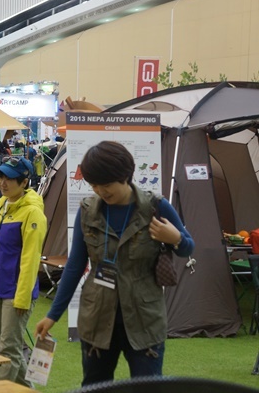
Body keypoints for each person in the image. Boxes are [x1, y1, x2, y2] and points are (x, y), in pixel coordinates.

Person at [35, 141, 195, 386]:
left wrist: (174, 238)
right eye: (94, 185)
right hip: (97, 317)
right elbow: (75, 266)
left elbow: (188, 248)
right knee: (95, 385)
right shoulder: (88, 211)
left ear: (125, 176)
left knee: (148, 387)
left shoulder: (156, 206)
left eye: (106, 184)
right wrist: (53, 315)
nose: (100, 191)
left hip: (145, 320)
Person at [0, 156, 46, 387]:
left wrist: (22, 297)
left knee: (8, 350)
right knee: (6, 348)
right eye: (1, 176)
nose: (3, 182)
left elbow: (31, 259)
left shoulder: (33, 213)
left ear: (24, 182)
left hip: (16, 292)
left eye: (10, 179)